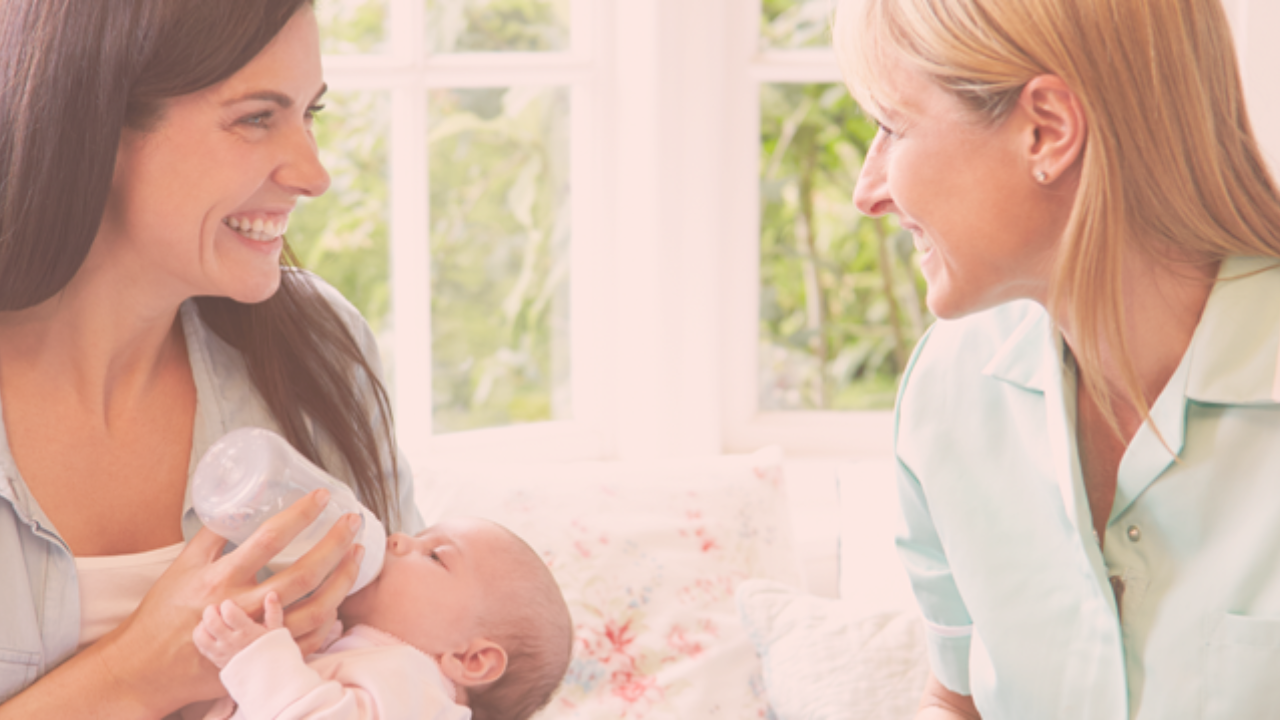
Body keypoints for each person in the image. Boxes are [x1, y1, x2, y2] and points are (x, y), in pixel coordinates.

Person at [833, 0, 1280, 717]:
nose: (869, 191)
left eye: (891, 126)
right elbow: (957, 700)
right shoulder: (948, 387)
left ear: (1048, 129)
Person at [0, 0, 423, 716]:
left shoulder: (321, 348)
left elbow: (425, 653)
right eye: (256, 117)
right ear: (92, 126)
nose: (313, 173)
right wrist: (132, 676)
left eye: (309, 113)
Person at [188, 517, 574, 720]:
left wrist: (258, 658)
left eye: (434, 556)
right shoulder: (359, 654)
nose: (398, 539)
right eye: (418, 534)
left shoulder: (421, 694)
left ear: (471, 660)